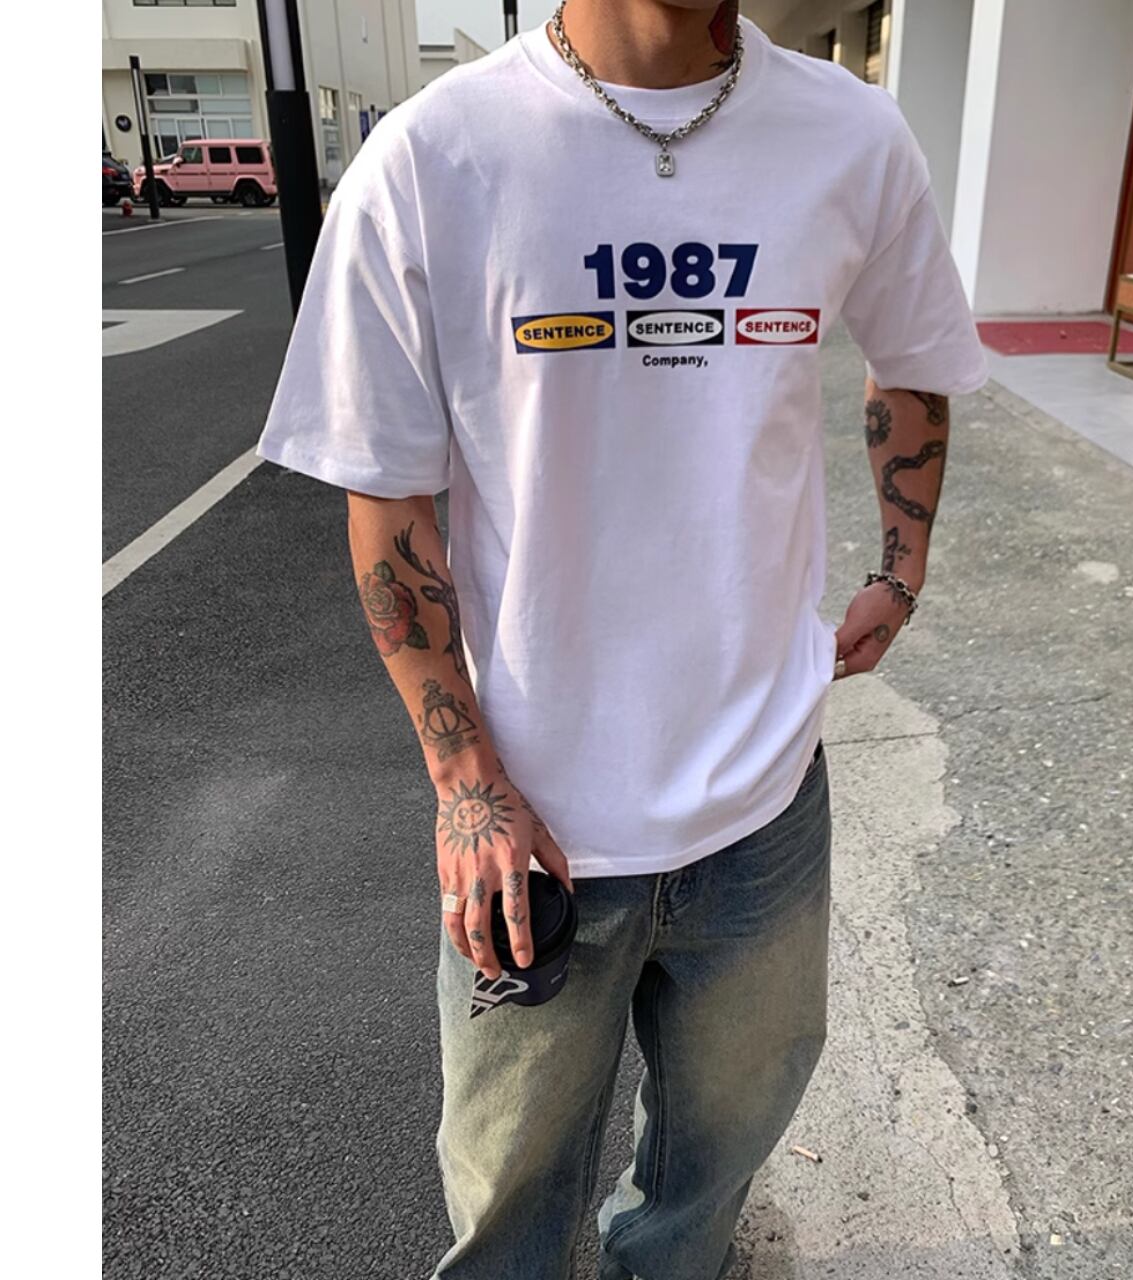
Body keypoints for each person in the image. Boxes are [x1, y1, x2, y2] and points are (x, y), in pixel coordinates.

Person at [256, 2, 986, 1276]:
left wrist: (901, 567)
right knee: (508, 1218)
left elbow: (913, 352)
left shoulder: (852, 135)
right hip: (536, 824)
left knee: (705, 1185)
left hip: (764, 805)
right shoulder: (432, 158)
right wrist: (466, 781)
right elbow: (390, 503)